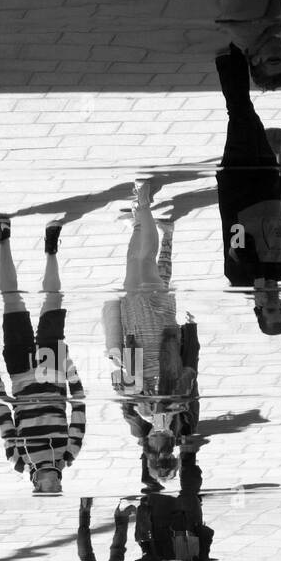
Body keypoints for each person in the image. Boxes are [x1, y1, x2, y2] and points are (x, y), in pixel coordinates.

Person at [0, 217, 85, 494]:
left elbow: (3, 413)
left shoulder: (19, 460)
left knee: (11, 300)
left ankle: (2, 237)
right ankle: (51, 248)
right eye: (55, 487)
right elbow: (79, 406)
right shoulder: (69, 453)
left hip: (19, 375)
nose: (51, 483)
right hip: (52, 374)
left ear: (36, 484)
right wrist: (70, 368)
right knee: (53, 301)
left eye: (46, 488)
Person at [102, 181, 197, 481]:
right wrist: (191, 332)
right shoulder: (178, 412)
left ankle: (140, 218)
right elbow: (190, 370)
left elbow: (121, 383)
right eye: (163, 444)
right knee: (147, 266)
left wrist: (125, 385)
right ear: (169, 441)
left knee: (134, 264)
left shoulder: (140, 415)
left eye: (153, 446)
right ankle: (144, 205)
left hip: (136, 339)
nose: (158, 439)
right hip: (160, 334)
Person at [215, 47, 281, 332]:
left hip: (239, 182)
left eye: (270, 308)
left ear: (258, 308)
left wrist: (255, 271)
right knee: (246, 115)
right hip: (268, 181)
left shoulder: (238, 274)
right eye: (280, 307)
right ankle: (235, 59)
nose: (275, 301)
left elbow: (235, 232)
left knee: (240, 113)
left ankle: (230, 57)